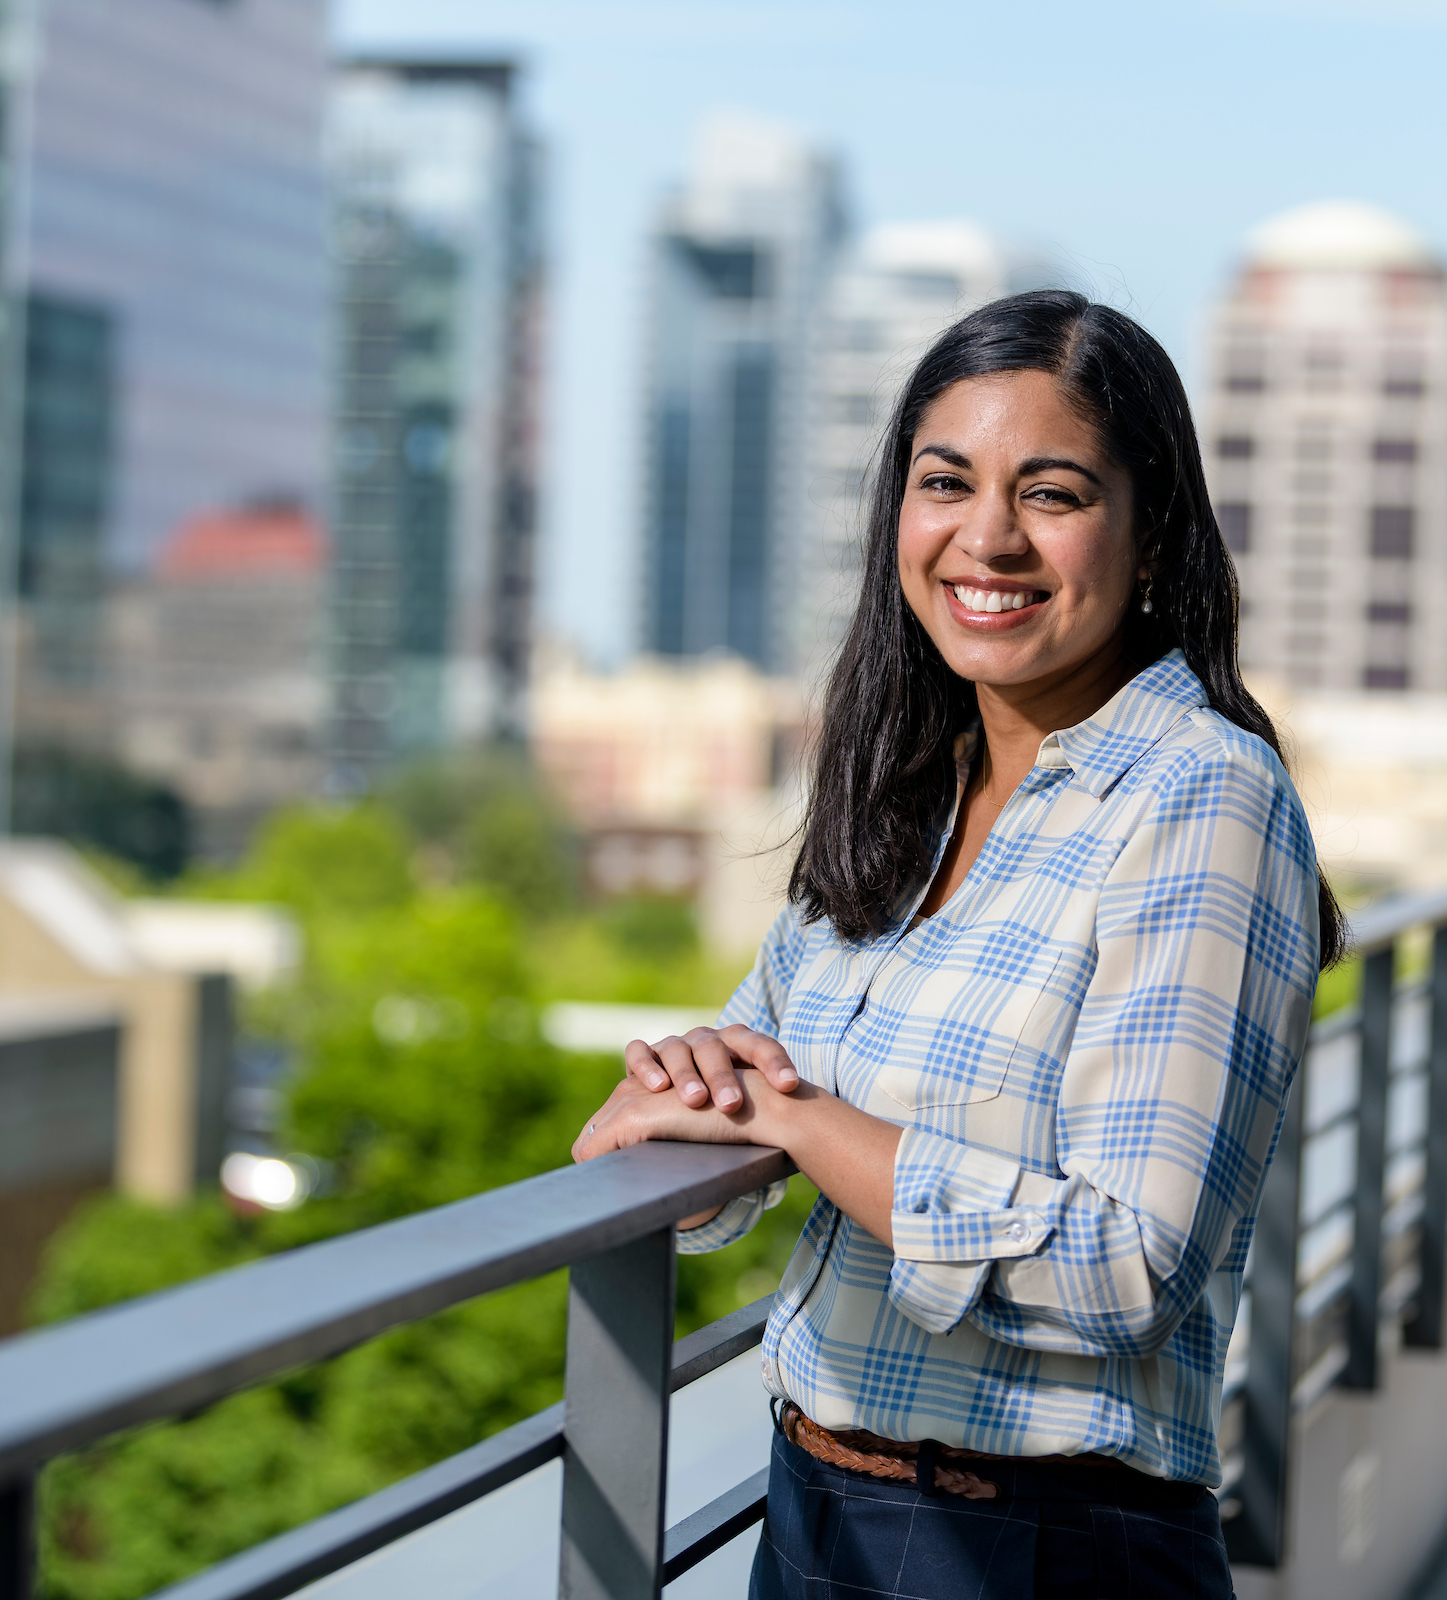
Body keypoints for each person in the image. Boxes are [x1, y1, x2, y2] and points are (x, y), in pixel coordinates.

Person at [571, 289, 1341, 1599]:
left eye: (1051, 493)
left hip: (1029, 1544)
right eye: (947, 483)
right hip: (814, 1510)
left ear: (1150, 535)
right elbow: (743, 1099)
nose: (987, 538)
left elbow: (1127, 1267)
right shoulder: (905, 790)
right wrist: (676, 1112)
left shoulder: (1200, 793)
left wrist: (809, 1126)